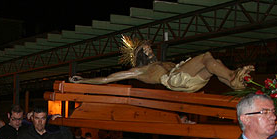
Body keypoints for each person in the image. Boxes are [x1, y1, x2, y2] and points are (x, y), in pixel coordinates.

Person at [70, 35, 254, 92]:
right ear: (140, 55)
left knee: (214, 64)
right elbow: (106, 79)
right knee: (206, 56)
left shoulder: (162, 62)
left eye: (149, 48)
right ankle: (232, 76)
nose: (150, 50)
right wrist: (83, 80)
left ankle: (233, 83)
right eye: (146, 50)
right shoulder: (140, 70)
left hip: (187, 82)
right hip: (174, 80)